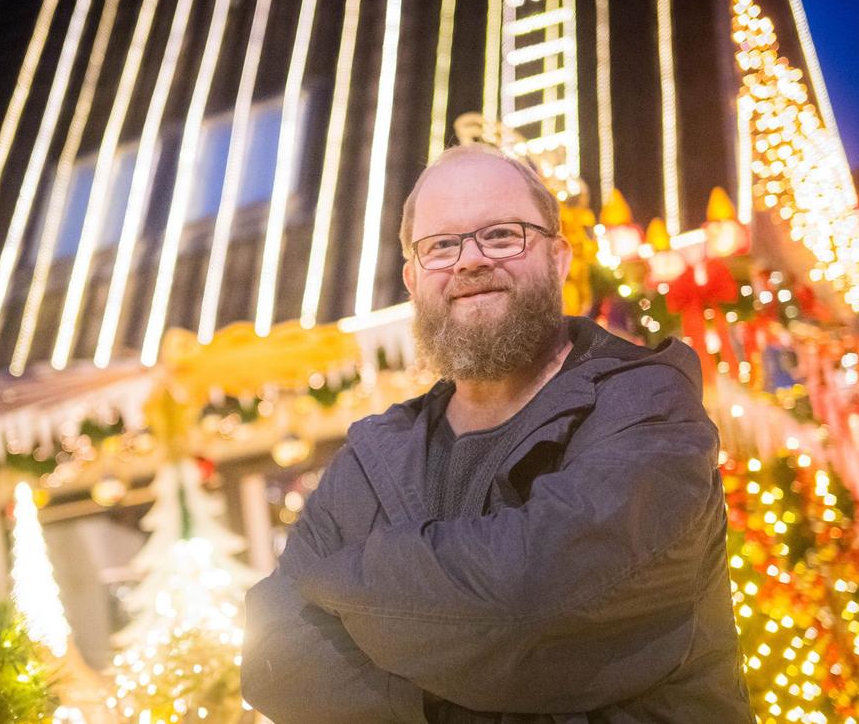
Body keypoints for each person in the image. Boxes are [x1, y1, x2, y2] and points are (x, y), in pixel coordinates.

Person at [240, 144, 753, 722]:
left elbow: (528, 600)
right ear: (412, 278)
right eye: (441, 246)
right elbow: (271, 659)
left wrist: (330, 586)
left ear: (558, 257)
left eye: (503, 235)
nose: (470, 261)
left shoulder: (644, 404)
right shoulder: (372, 454)